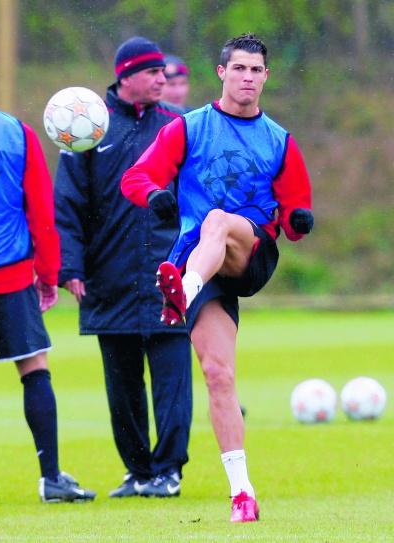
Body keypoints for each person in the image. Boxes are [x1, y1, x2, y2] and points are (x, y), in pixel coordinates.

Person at [121, 33, 314, 521]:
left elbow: (295, 210)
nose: (248, 77)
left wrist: (297, 220)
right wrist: (156, 196)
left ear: (266, 77)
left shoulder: (279, 140)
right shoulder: (189, 129)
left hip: (251, 252)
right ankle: (242, 493)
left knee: (218, 220)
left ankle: (181, 293)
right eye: (239, 68)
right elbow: (135, 178)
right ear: (222, 73)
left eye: (256, 70)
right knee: (217, 375)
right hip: (200, 262)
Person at [54, 36, 193, 499]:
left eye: (164, 72)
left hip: (170, 274)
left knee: (173, 381)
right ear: (126, 76)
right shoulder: (89, 128)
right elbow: (68, 204)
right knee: (122, 387)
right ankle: (138, 472)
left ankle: (168, 471)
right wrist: (70, 265)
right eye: (153, 72)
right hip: (108, 277)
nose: (162, 79)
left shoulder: (178, 124)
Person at [0, 108, 96, 503]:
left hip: (12, 272)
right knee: (34, 367)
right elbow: (41, 210)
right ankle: (51, 478)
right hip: (10, 273)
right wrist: (48, 273)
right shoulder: (17, 134)